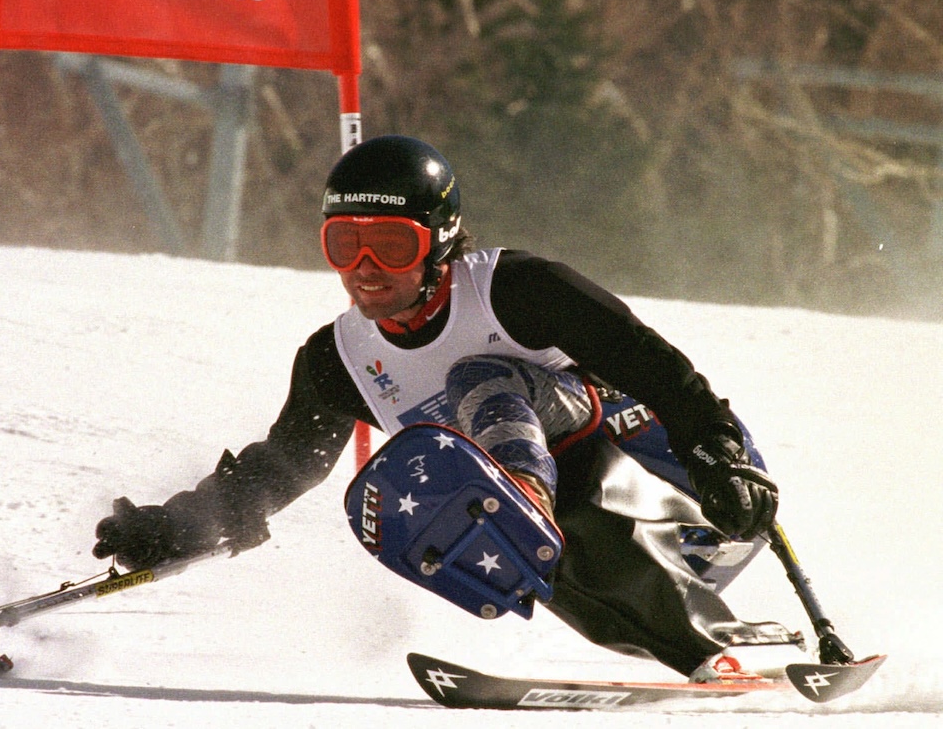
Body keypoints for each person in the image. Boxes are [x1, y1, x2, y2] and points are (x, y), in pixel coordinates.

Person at [91, 134, 801, 681]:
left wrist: (721, 455)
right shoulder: (337, 359)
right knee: (420, 482)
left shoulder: (517, 290)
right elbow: (282, 469)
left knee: (477, 382)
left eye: (393, 246)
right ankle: (702, 649)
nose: (366, 269)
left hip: (675, 481)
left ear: (441, 242)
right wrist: (176, 526)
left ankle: (525, 502)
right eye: (346, 245)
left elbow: (656, 367)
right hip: (573, 544)